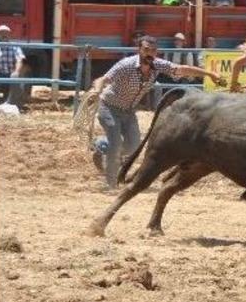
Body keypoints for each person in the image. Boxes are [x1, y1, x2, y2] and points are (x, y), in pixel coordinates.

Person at [92, 35, 223, 188]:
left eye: (153, 50)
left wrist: (209, 73)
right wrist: (96, 90)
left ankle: (102, 145)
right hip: (109, 107)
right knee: (115, 145)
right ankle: (111, 183)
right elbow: (103, 79)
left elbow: (180, 69)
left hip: (128, 111)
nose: (150, 53)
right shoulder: (126, 65)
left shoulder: (158, 65)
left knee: (133, 146)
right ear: (139, 50)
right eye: (146, 50)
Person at [0, 25, 29, 109]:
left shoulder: (15, 46)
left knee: (17, 77)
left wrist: (16, 71)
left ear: (9, 34)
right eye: (1, 33)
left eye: (6, 32)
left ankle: (15, 103)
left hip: (11, 73)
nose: (4, 34)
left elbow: (20, 60)